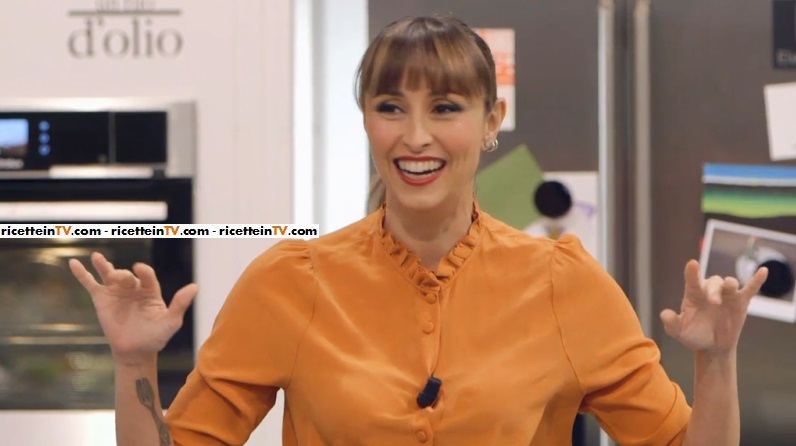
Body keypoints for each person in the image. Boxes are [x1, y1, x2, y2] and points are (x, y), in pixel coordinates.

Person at [69, 15, 768, 446]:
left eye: (445, 107)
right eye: (390, 107)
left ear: (491, 121)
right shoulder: (290, 281)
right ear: (367, 122)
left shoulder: (564, 284)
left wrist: (716, 362)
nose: (415, 136)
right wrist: (133, 364)